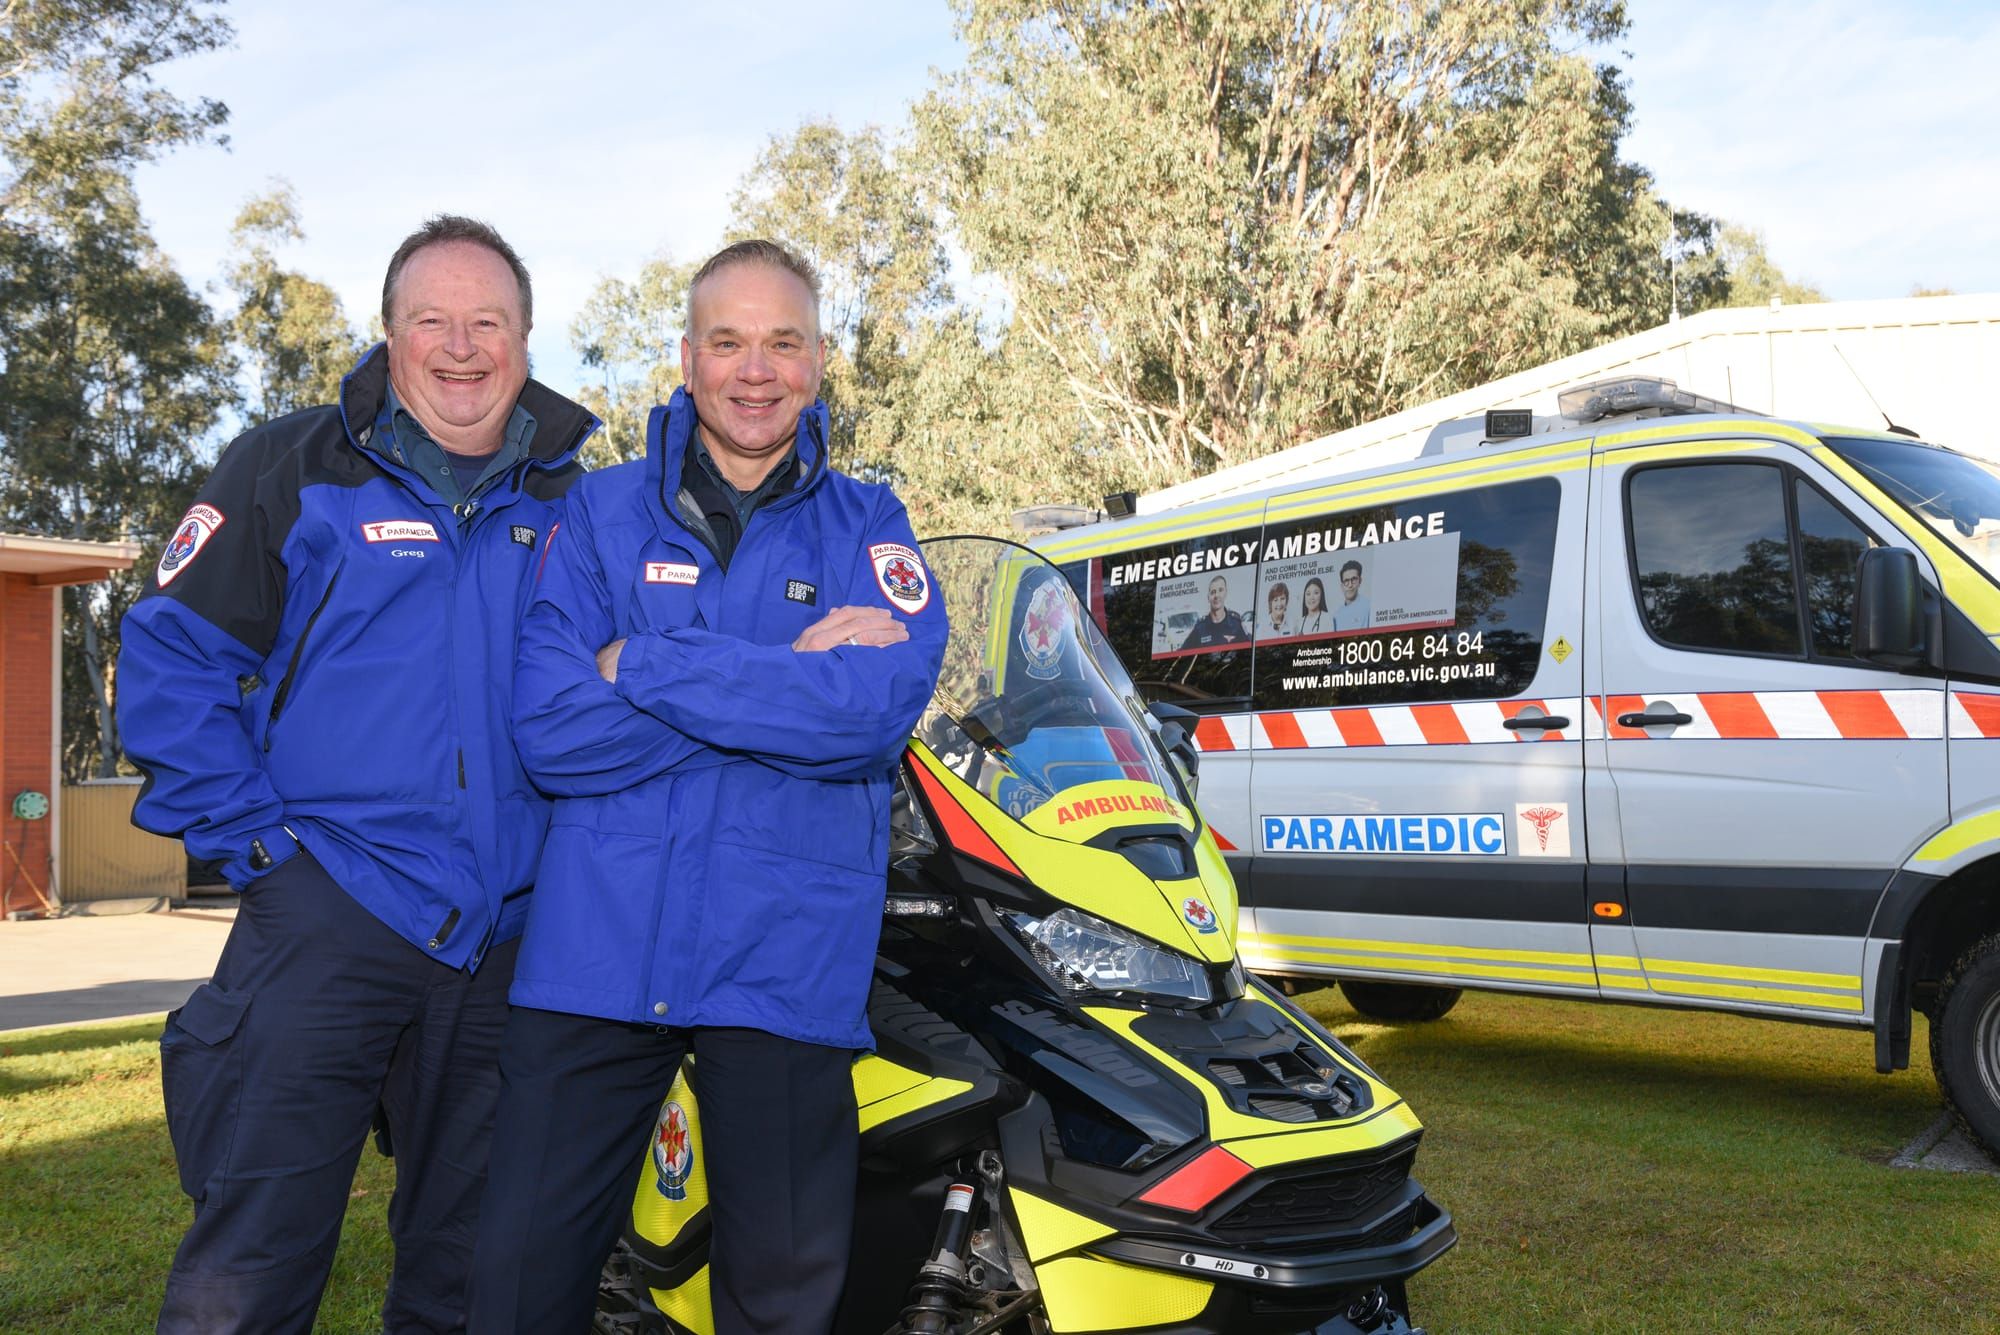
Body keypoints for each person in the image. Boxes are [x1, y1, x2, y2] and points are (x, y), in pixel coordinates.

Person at [117, 217, 597, 1333]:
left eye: (489, 322)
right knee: (251, 1269)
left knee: (471, 1279)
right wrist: (264, 856)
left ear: (526, 340)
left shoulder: (579, 506)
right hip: (329, 917)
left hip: (507, 945)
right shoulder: (291, 467)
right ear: (388, 334)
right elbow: (173, 662)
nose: (461, 346)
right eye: (433, 320)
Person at [468, 240, 948, 1333]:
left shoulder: (870, 524)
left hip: (784, 965)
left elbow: (869, 718)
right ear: (687, 359)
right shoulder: (597, 514)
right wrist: (785, 679)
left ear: (818, 361)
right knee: (515, 1290)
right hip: (595, 957)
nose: (755, 370)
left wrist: (641, 661)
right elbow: (551, 732)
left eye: (783, 342)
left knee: (781, 1307)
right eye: (728, 342)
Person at [1179, 573, 1248, 651]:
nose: (1216, 596)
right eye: (1213, 592)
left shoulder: (1236, 624)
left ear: (1226, 593)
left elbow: (1249, 650)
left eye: (1220, 590)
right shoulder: (1200, 628)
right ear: (1208, 597)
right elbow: (1182, 652)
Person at [1334, 558, 1372, 632]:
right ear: (1342, 586)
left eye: (1354, 579)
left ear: (1360, 581)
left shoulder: (1369, 607)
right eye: (1346, 581)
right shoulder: (1336, 615)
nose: (1350, 585)